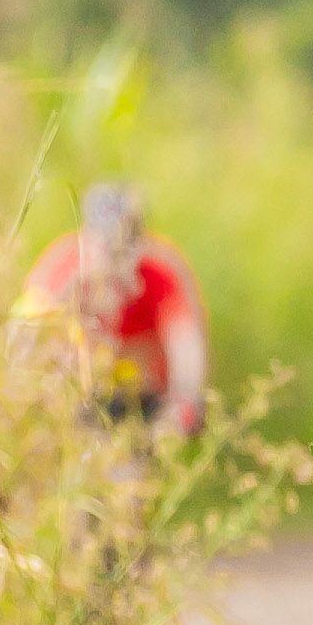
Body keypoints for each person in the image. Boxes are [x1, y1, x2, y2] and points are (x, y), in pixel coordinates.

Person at [18, 182, 207, 439]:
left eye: (127, 247)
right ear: (88, 239)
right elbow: (23, 341)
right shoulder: (64, 267)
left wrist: (185, 403)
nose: (117, 260)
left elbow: (186, 345)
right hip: (79, 397)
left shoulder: (160, 272)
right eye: (107, 246)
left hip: (146, 402)